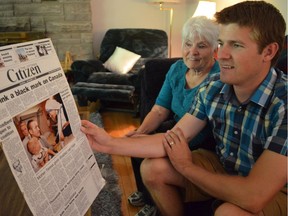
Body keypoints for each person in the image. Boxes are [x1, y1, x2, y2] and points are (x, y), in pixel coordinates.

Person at [80, 1, 287, 216]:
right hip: (225, 165)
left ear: (269, 51)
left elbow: (253, 197)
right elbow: (174, 136)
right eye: (221, 43)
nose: (222, 55)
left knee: (229, 212)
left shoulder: (283, 105)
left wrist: (187, 167)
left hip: (274, 188)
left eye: (236, 45)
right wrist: (109, 143)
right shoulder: (214, 86)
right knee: (152, 169)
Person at [126, 16, 220, 215]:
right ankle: (149, 197)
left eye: (201, 46)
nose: (192, 52)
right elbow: (160, 109)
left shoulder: (219, 77)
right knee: (137, 142)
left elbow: (196, 130)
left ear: (214, 49)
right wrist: (140, 132)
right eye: (188, 44)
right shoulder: (177, 69)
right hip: (177, 129)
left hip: (204, 142)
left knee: (150, 155)